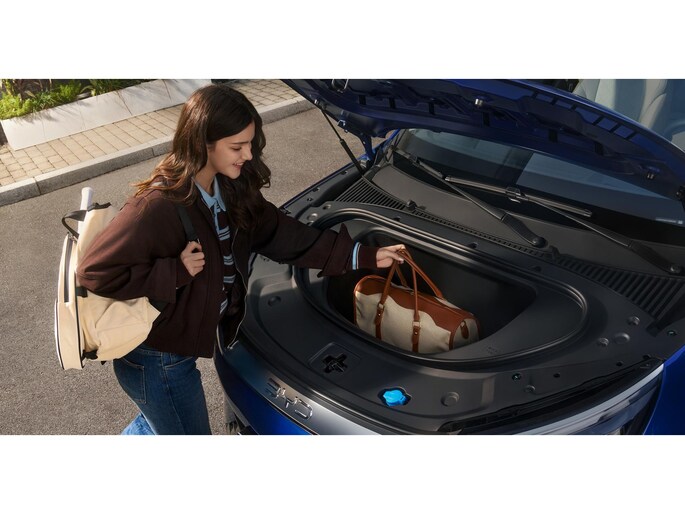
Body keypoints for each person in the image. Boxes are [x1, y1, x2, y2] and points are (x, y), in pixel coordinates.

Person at [76, 84, 405, 435]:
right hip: (155, 360)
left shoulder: (229, 189)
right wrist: (175, 271)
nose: (248, 155)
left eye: (250, 144)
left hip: (174, 354)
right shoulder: (157, 206)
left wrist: (363, 255)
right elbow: (93, 272)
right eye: (237, 147)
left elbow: (286, 236)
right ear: (203, 143)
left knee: (159, 425)